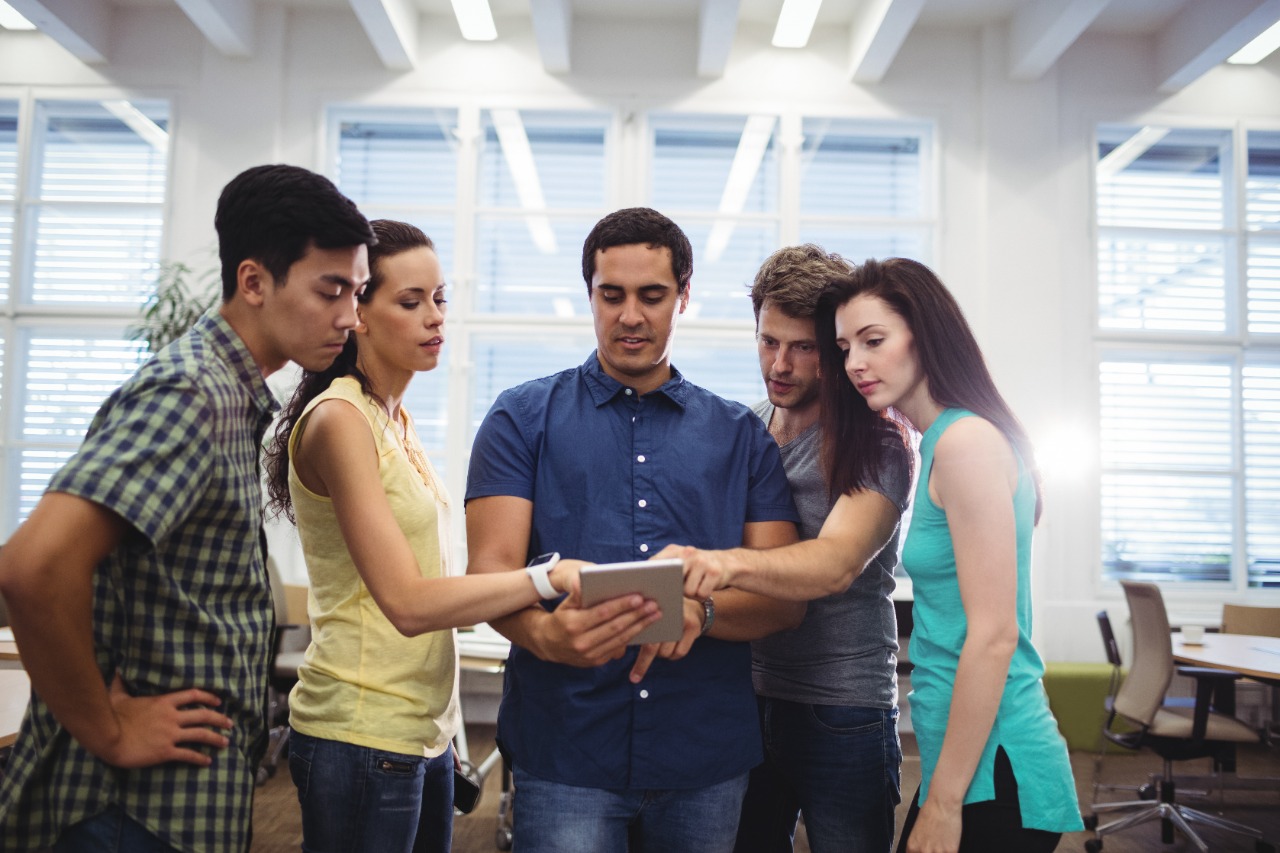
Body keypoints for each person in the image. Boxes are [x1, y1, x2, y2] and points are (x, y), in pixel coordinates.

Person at [0, 164, 375, 853]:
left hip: (177, 801)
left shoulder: (232, 395)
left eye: (357, 291)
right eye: (332, 290)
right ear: (255, 281)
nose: (351, 317)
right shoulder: (192, 393)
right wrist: (109, 727)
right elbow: (33, 566)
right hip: (129, 809)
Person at [675, 258, 1082, 853]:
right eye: (846, 346)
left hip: (979, 746)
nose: (856, 362)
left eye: (872, 341)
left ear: (926, 335)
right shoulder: (948, 439)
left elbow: (993, 635)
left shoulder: (953, 442)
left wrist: (727, 566)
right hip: (951, 742)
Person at [464, 207, 804, 853]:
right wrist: (545, 634)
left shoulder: (741, 436)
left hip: (703, 751)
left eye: (652, 295)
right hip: (566, 745)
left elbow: (783, 598)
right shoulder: (519, 417)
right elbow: (490, 575)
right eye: (610, 294)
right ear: (588, 292)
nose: (630, 315)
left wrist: (700, 612)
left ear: (684, 296)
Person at [261, 219, 586, 853]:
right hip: (360, 730)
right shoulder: (340, 420)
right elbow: (408, 604)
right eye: (410, 302)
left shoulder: (393, 419)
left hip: (421, 731)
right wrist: (546, 577)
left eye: (440, 299)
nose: (435, 317)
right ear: (358, 313)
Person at [732, 245, 910, 853]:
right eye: (768, 341)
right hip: (746, 695)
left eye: (802, 347)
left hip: (843, 708)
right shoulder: (746, 429)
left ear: (833, 350)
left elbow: (833, 565)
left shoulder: (878, 445)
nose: (779, 364)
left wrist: (713, 565)